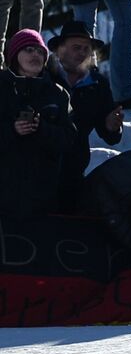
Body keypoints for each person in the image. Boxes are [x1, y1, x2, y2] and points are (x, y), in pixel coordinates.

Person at [1, 30, 77, 218]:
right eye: (28, 49)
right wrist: (12, 130)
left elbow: (70, 140)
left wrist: (42, 129)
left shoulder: (58, 93)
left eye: (39, 51)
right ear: (14, 55)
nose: (35, 54)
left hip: (42, 198)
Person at [48, 21, 122, 177]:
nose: (82, 53)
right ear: (60, 50)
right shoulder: (45, 77)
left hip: (74, 167)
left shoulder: (98, 84)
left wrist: (112, 126)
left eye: (86, 49)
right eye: (76, 48)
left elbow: (110, 136)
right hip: (39, 167)